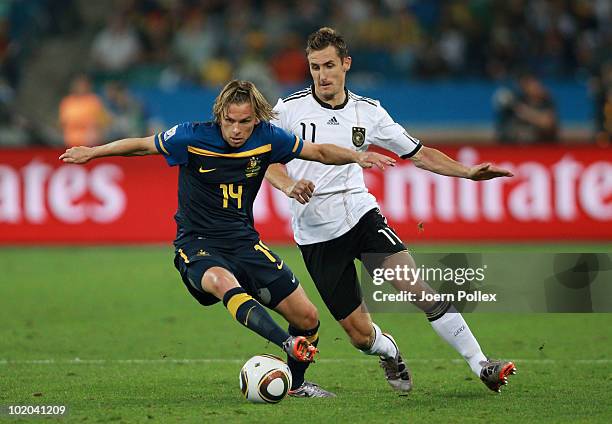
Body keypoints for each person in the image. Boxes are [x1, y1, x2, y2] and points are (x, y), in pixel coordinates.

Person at [59, 79, 395, 397]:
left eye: (245, 122)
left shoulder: (268, 137)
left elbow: (319, 151)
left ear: (255, 119)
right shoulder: (191, 136)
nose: (236, 130)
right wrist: (93, 152)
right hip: (197, 244)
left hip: (244, 243)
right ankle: (284, 343)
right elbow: (141, 145)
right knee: (222, 282)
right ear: (219, 115)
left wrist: (357, 156)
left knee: (307, 318)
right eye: (230, 121)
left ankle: (296, 384)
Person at [265, 27, 517, 396]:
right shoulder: (287, 110)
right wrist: (288, 185)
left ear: (346, 64)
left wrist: (467, 173)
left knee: (415, 287)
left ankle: (482, 364)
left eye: (329, 65)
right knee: (359, 335)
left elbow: (419, 153)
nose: (322, 75)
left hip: (360, 215)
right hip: (316, 233)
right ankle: (388, 350)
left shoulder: (368, 112)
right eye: (315, 67)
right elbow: (265, 160)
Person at [493, 73, 558, 143]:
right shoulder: (518, 101)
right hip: (517, 148)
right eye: (529, 84)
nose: (535, 87)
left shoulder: (546, 102)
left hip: (541, 147)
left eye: (536, 83)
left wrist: (525, 112)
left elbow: (547, 123)